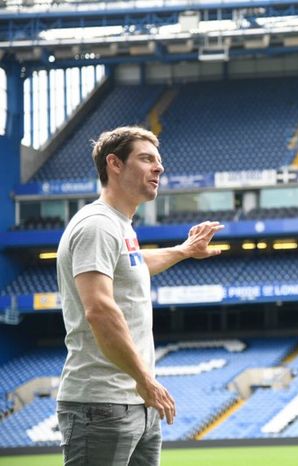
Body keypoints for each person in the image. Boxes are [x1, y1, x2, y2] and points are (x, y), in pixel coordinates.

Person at [55, 126, 224, 466]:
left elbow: (134, 264)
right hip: (102, 404)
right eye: (146, 159)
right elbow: (99, 310)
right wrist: (146, 380)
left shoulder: (120, 226)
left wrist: (184, 250)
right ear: (114, 164)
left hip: (135, 401)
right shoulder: (97, 225)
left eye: (158, 161)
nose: (158, 168)